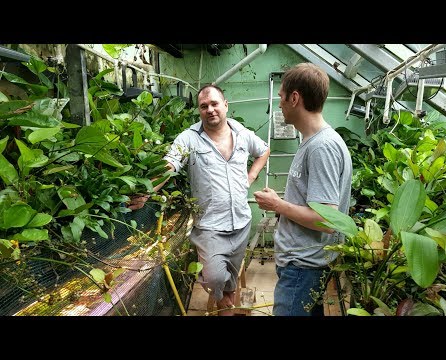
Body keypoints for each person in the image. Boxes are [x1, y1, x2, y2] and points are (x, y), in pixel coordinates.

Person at [129, 84, 270, 316]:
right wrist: (147, 191)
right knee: (215, 277)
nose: (210, 110)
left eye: (215, 104)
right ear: (199, 111)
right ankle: (224, 302)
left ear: (225, 105)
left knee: (231, 281)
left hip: (241, 222)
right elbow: (170, 164)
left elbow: (264, 150)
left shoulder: (243, 134)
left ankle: (226, 308)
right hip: (210, 227)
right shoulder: (189, 139)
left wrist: (252, 175)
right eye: (204, 106)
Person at [254, 63, 352, 316]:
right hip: (302, 265)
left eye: (282, 98)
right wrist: (283, 204)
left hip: (303, 267)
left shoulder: (322, 148)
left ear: (294, 98)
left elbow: (326, 220)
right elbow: (314, 204)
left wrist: (278, 205)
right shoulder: (312, 141)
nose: (279, 104)